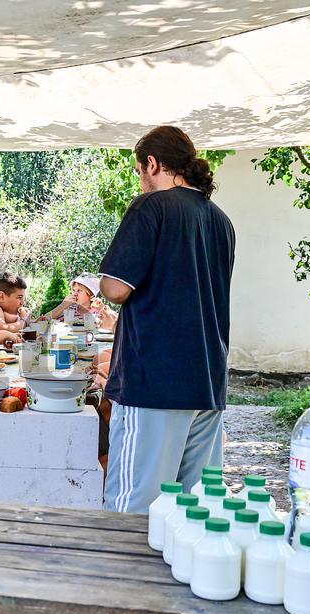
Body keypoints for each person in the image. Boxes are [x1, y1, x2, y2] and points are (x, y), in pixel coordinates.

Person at [97, 126, 235, 514]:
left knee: (134, 508)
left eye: (140, 171)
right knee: (195, 510)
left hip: (154, 383)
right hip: (207, 381)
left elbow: (115, 289)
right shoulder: (220, 220)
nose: (141, 181)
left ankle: (124, 578)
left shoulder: (151, 207)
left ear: (152, 164)